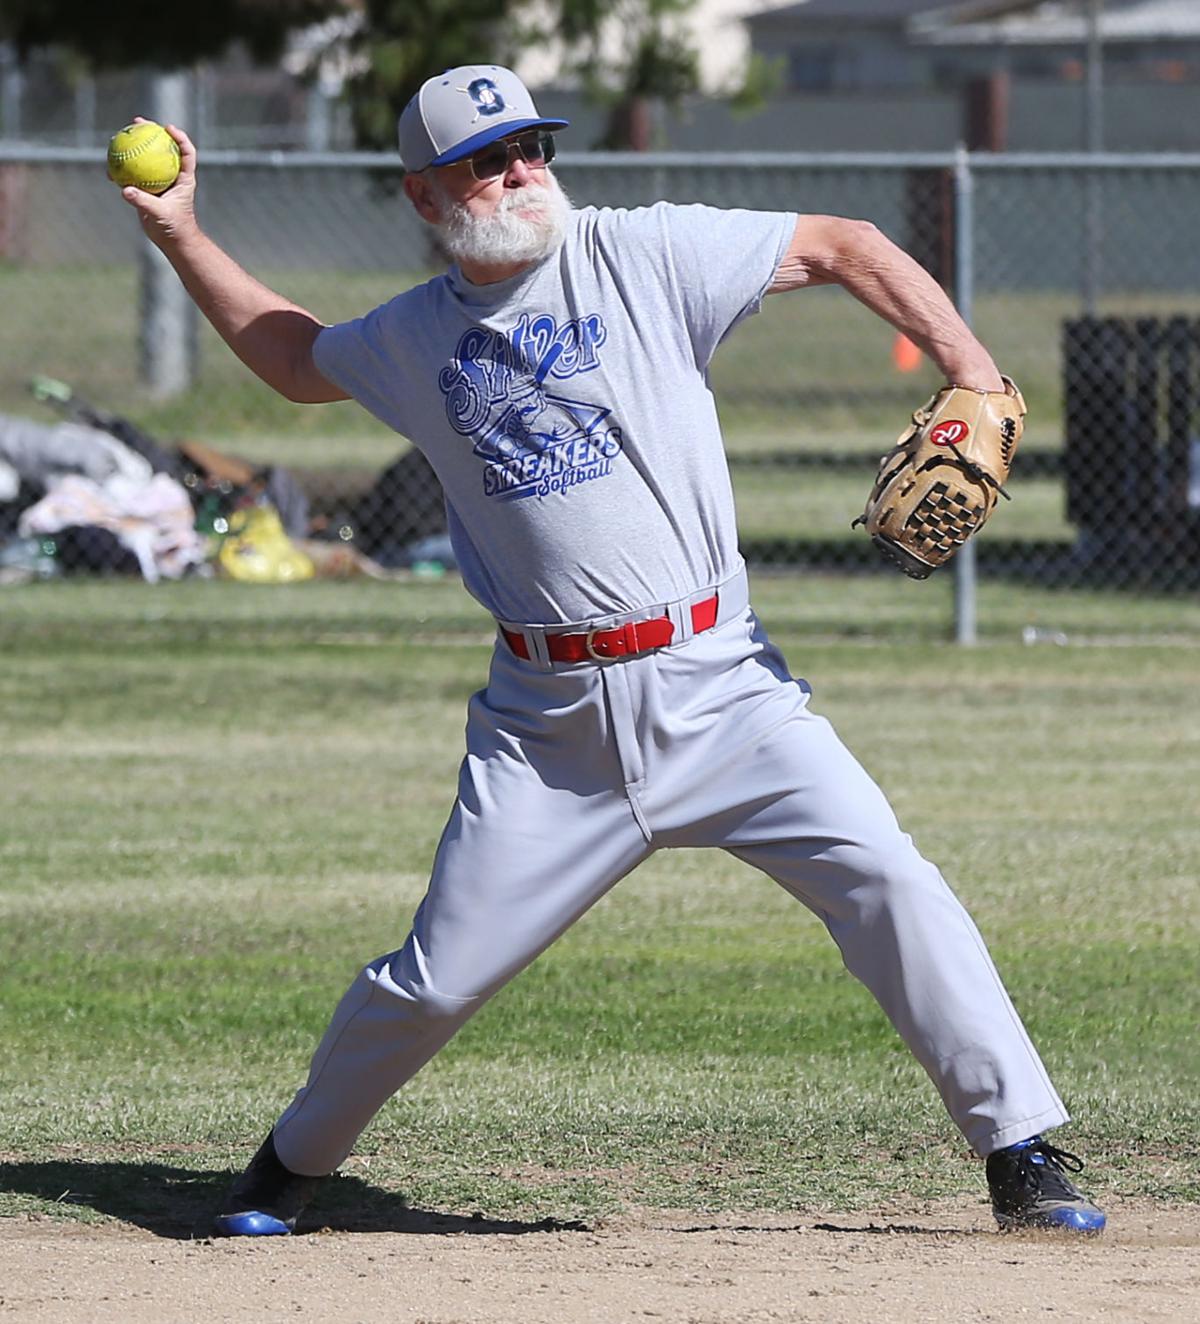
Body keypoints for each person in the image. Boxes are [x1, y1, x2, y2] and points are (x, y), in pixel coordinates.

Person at [118, 65, 1105, 1237]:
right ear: (427, 194)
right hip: (548, 731)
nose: (521, 170)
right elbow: (293, 359)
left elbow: (847, 242)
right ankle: (286, 1166)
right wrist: (181, 232)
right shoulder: (416, 337)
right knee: (434, 980)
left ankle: (1021, 1149)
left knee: (890, 882)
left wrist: (974, 370)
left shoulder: (641, 253)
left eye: (531, 145)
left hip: (726, 691)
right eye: (487, 158)